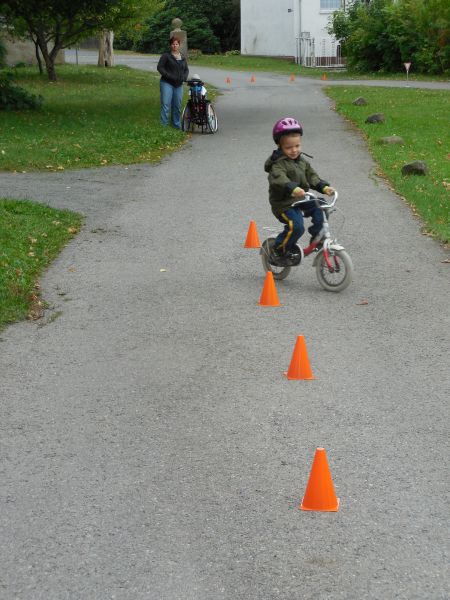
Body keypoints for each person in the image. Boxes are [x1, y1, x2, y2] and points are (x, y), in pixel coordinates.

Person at [264, 117, 335, 264]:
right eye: (289, 147)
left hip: (301, 199)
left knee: (321, 206)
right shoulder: (277, 164)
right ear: (280, 146)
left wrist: (324, 187)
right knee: (296, 226)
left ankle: (318, 238)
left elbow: (312, 176)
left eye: (297, 145)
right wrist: (292, 188)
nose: (294, 150)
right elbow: (279, 179)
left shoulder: (302, 161)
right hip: (284, 204)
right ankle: (278, 250)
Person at [157, 37, 189, 128]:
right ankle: (164, 125)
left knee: (177, 106)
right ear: (170, 45)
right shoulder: (166, 56)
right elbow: (160, 67)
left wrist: (184, 77)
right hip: (167, 83)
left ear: (179, 45)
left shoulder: (182, 56)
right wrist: (169, 76)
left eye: (176, 44)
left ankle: (176, 124)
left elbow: (186, 69)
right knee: (165, 104)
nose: (175, 45)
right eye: (173, 44)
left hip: (178, 84)